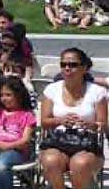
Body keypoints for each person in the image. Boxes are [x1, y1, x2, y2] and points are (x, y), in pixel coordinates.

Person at [39, 48, 107, 189]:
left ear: (84, 68)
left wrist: (91, 124)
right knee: (50, 160)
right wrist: (60, 121)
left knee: (79, 164)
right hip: (58, 140)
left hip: (87, 144)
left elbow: (104, 125)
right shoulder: (51, 90)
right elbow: (44, 122)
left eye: (72, 65)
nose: (67, 68)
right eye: (63, 64)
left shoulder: (97, 92)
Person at [0, 14, 34, 80]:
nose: (7, 47)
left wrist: (26, 79)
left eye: (11, 45)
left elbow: (29, 67)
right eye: (4, 44)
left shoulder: (24, 48)